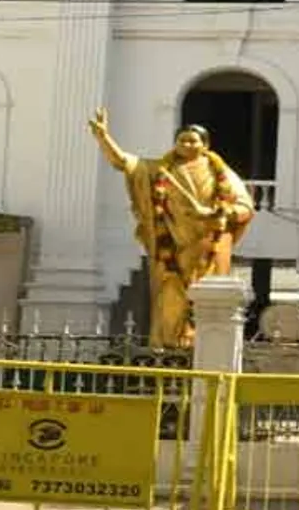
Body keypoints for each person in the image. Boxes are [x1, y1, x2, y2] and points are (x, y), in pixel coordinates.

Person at [88, 109, 255, 349]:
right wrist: (104, 138)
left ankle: (201, 354)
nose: (187, 144)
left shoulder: (222, 174)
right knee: (169, 303)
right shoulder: (160, 170)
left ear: (205, 145)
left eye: (193, 140)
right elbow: (123, 162)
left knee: (206, 305)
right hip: (170, 252)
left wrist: (220, 214)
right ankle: (166, 353)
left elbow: (245, 207)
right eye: (182, 140)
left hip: (208, 251)